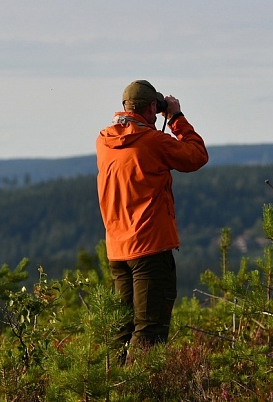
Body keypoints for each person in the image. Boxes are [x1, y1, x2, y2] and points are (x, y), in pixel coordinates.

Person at [96, 79, 208, 356]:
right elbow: (196, 156)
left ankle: (111, 386)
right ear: (150, 109)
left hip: (118, 252)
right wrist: (175, 118)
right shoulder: (154, 141)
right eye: (155, 108)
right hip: (150, 249)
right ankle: (141, 390)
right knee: (149, 330)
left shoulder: (103, 141)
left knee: (123, 329)